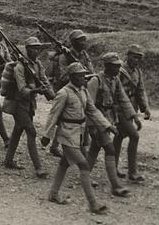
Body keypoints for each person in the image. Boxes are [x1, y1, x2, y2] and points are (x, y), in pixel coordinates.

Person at [43, 62, 111, 215]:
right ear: (72, 77)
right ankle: (93, 204)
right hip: (67, 134)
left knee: (64, 163)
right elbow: (53, 115)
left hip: (78, 134)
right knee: (84, 165)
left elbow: (92, 111)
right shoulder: (63, 93)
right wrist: (47, 135)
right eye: (81, 75)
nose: (84, 78)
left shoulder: (83, 91)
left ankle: (53, 194)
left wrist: (106, 126)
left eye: (84, 75)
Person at [86, 52, 135, 198]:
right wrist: (91, 126)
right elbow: (89, 105)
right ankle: (115, 186)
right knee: (110, 149)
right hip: (97, 120)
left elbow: (123, 98)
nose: (118, 68)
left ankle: (85, 176)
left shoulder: (115, 80)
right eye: (115, 66)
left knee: (94, 149)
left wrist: (133, 115)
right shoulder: (95, 81)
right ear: (107, 66)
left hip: (108, 118)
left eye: (119, 65)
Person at [3, 36, 53, 177]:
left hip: (30, 103)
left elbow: (44, 79)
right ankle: (38, 168)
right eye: (33, 48)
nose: (35, 51)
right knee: (31, 131)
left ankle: (8, 160)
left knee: (18, 130)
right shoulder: (19, 67)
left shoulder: (37, 64)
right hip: (19, 103)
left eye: (37, 48)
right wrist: (37, 90)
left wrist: (51, 93)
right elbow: (22, 90)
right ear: (27, 49)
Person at [116, 44, 150, 182]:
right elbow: (116, 90)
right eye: (135, 57)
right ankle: (132, 172)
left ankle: (113, 167)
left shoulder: (137, 72)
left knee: (119, 137)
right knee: (134, 136)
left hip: (132, 106)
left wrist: (145, 107)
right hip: (119, 108)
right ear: (128, 55)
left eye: (139, 58)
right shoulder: (119, 69)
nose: (137, 60)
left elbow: (140, 91)